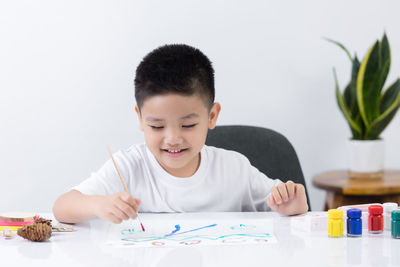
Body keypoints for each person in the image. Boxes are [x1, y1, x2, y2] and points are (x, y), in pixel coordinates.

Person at [53, 44, 308, 224]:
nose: (172, 138)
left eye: (187, 125)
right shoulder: (130, 166)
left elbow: (289, 205)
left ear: (212, 116)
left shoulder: (234, 169)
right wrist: (99, 205)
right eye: (156, 126)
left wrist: (293, 205)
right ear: (140, 118)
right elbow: (62, 207)